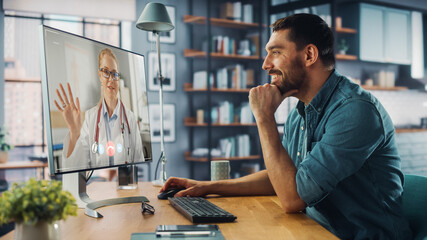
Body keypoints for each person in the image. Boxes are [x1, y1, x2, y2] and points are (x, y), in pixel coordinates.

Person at [162, 14, 412, 239]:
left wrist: (264, 117)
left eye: (276, 52)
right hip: (316, 231)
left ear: (309, 55)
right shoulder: (300, 111)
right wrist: (207, 187)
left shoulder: (354, 111)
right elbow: (285, 179)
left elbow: (293, 198)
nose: (265, 64)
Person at [55, 48, 144, 170]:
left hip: (125, 186)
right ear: (100, 75)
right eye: (106, 72)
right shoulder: (90, 117)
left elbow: (140, 162)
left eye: (115, 73)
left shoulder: (131, 119)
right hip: (98, 186)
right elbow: (76, 168)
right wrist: (74, 132)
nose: (111, 79)